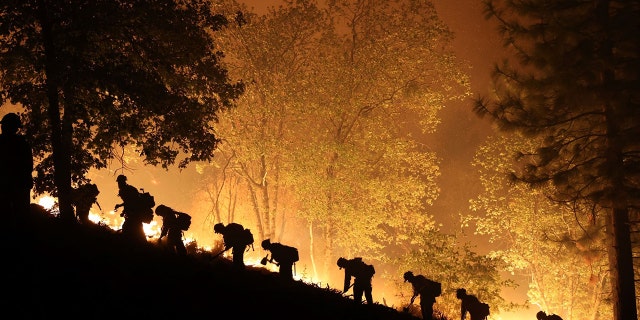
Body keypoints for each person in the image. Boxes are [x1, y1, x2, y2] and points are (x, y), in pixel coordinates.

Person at [0, 113, 33, 226]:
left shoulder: (19, 144)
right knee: (21, 219)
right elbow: (29, 167)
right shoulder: (23, 144)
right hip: (19, 186)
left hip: (9, 186)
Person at [114, 175, 146, 243]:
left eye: (120, 182)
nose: (118, 184)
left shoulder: (128, 190)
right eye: (118, 182)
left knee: (131, 228)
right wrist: (122, 209)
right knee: (137, 229)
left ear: (123, 181)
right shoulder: (127, 189)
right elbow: (127, 202)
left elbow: (130, 202)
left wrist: (121, 207)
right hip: (132, 213)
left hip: (135, 214)